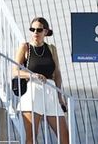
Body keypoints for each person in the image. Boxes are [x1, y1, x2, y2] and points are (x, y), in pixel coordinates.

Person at [14, 16, 69, 144]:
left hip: (50, 90)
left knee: (65, 137)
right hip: (32, 90)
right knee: (31, 137)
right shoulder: (25, 47)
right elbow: (14, 71)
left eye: (39, 30)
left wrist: (60, 97)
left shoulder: (51, 48)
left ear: (45, 32)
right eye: (32, 29)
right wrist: (32, 75)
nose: (35, 33)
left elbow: (57, 74)